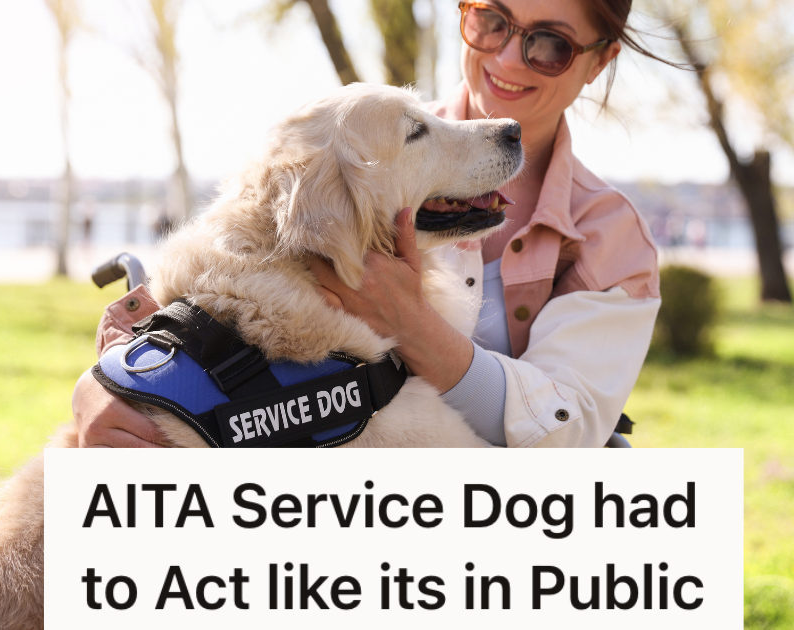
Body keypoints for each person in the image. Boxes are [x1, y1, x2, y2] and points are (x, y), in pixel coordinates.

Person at [71, 0, 662, 448]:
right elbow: (231, 261)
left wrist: (409, 321)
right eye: (492, 21)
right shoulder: (363, 141)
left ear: (600, 60)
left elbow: (572, 430)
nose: (508, 58)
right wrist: (117, 383)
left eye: (551, 44)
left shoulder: (612, 238)